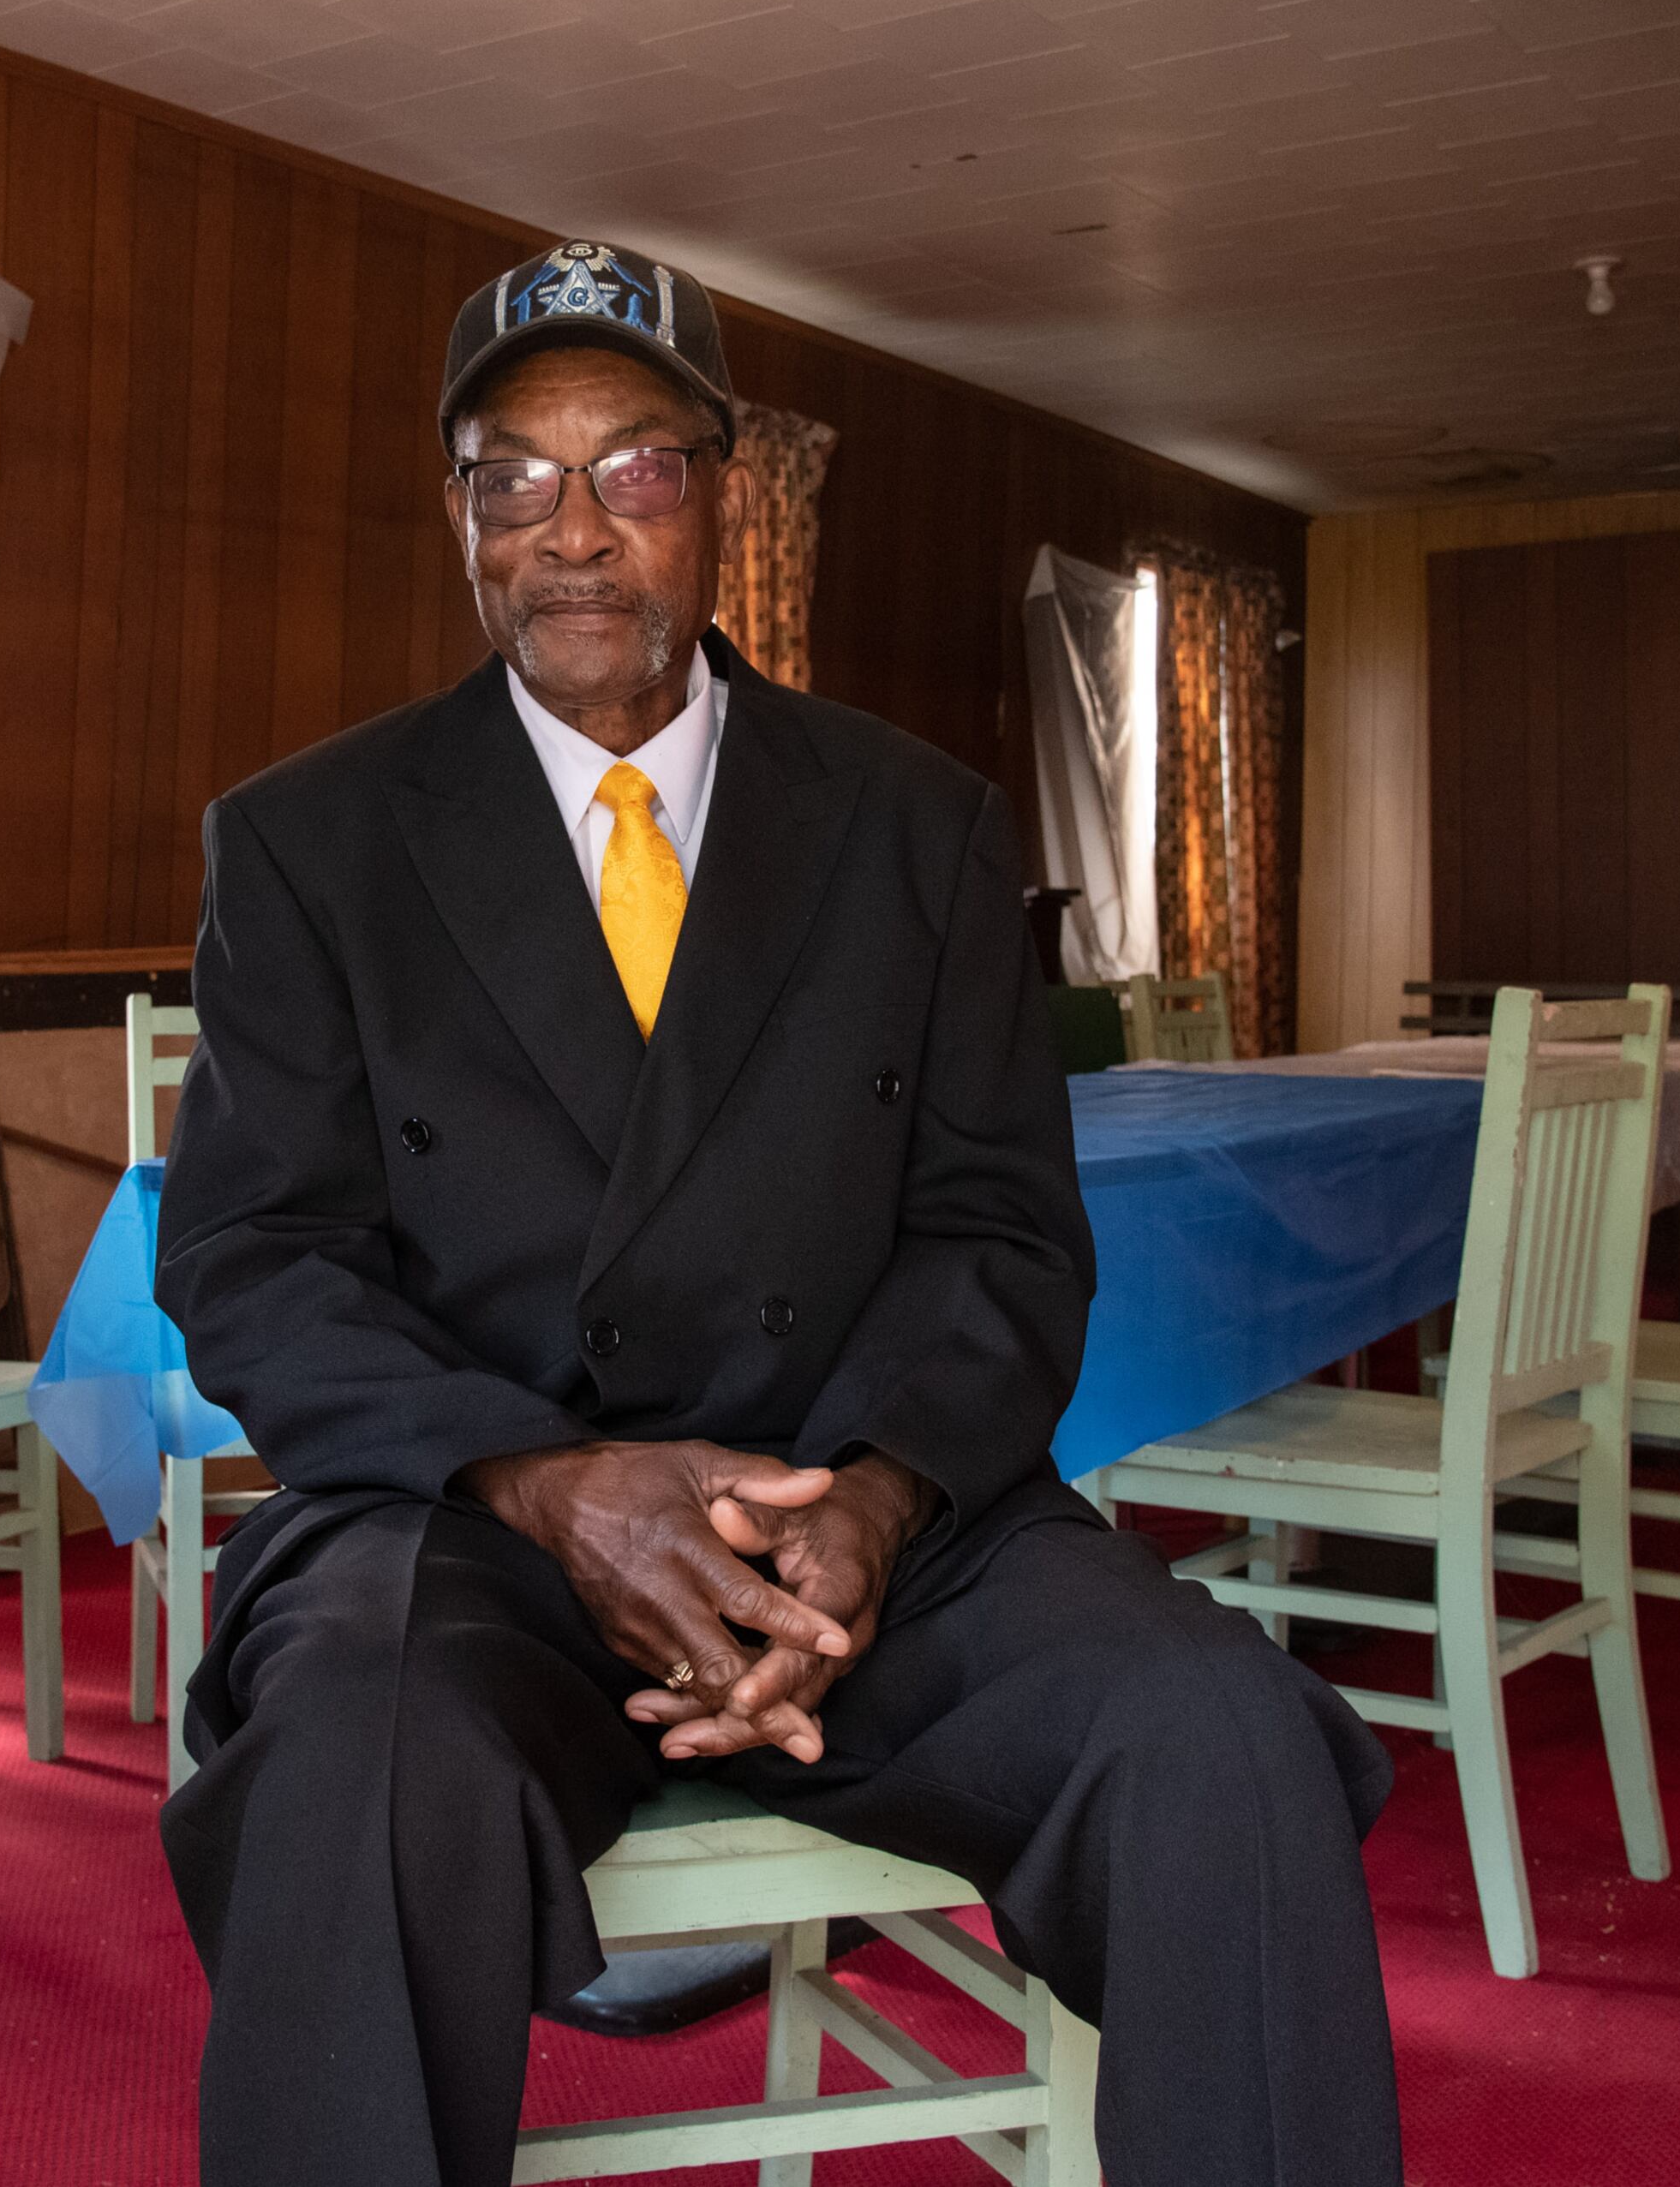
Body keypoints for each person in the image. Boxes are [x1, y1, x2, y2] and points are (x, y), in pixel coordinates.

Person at [154, 238, 1402, 2187]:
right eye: (515, 476)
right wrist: (557, 1488)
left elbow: (1000, 1231)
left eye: (633, 467)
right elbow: (252, 1257)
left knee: (1219, 1738)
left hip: (864, 1521)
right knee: (349, 1765)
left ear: (727, 492)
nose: (574, 534)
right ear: (463, 510)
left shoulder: (916, 827)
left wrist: (883, 1509)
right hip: (469, 1523)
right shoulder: (311, 842)